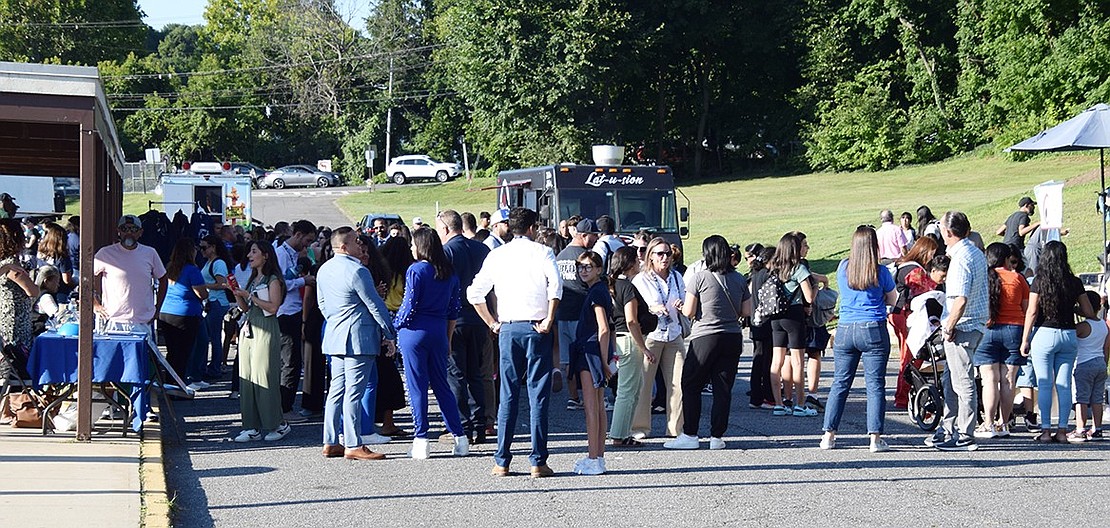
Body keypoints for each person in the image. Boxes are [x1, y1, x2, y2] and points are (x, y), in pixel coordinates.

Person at [468, 207, 563, 478]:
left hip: (508, 327)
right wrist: (548, 320)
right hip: (536, 327)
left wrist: (491, 322)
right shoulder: (543, 252)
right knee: (538, 395)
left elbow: (475, 293)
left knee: (507, 395)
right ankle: (537, 460)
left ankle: (502, 460)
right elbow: (555, 288)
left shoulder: (497, 254)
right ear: (532, 227)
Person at [666, 235, 751, 450]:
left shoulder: (700, 278)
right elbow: (746, 311)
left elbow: (690, 311)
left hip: (706, 335)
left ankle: (691, 434)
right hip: (732, 335)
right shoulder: (739, 279)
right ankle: (717, 436)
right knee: (723, 387)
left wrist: (681, 306)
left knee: (691, 383)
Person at [317, 227, 394, 460]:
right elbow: (375, 304)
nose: (359, 245)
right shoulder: (358, 271)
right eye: (354, 241)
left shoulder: (324, 269)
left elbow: (322, 304)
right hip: (358, 337)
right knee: (354, 391)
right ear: (343, 246)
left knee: (336, 391)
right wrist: (389, 333)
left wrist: (335, 320)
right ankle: (353, 443)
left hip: (335, 334)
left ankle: (330, 440)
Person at [820, 226, 897, 452]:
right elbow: (892, 299)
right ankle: (875, 439)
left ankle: (828, 435)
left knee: (840, 383)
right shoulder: (880, 271)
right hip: (872, 326)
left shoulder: (843, 266)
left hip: (845, 327)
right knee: (875, 385)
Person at [394, 228, 469, 458]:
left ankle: (421, 438)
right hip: (438, 331)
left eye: (413, 244)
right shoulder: (449, 273)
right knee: (441, 385)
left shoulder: (416, 270)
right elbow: (453, 310)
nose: (411, 248)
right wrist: (446, 338)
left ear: (422, 246)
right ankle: (460, 437)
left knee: (417, 386)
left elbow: (409, 305)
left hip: (414, 331)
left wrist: (395, 324)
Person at [1019, 240, 1095, 443]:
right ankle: (1062, 431)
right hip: (1069, 334)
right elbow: (1088, 312)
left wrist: (1025, 339)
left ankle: (1045, 431)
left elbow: (1032, 311)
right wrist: (1073, 309)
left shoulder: (1039, 281)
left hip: (1044, 334)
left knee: (1044, 384)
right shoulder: (1074, 282)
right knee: (1063, 384)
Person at [929, 211, 989, 451]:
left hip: (962, 326)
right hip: (974, 323)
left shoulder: (961, 257)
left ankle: (965, 433)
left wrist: (949, 326)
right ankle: (948, 426)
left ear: (948, 232)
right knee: (951, 378)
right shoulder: (975, 251)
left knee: (962, 381)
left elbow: (960, 299)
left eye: (942, 228)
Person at [437, 210, 492, 443]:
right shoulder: (482, 249)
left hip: (455, 319)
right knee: (476, 373)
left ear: (446, 229)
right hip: (479, 317)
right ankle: (480, 423)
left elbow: (442, 287)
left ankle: (462, 426)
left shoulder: (447, 251)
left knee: (456, 374)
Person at [230, 241, 290, 442]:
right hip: (249, 327)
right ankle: (251, 426)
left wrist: (250, 296)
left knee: (264, 376)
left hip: (266, 328)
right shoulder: (253, 279)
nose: (249, 255)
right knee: (247, 376)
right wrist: (237, 294)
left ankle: (278, 424)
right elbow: (246, 308)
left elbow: (273, 308)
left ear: (266, 255)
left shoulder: (273, 280)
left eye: (254, 251)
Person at [631, 236, 687, 438]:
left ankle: (675, 429)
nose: (665, 258)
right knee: (644, 384)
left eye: (668, 254)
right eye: (659, 254)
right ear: (650, 257)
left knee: (679, 383)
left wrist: (681, 305)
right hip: (651, 336)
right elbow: (634, 310)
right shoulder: (641, 279)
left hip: (673, 333)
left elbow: (684, 300)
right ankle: (639, 428)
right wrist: (653, 308)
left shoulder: (676, 277)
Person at [972, 243, 1029, 439]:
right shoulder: (1017, 278)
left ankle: (987, 423)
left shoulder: (983, 279)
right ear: (1006, 259)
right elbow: (1026, 308)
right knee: (1008, 381)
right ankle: (1003, 423)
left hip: (987, 330)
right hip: (1014, 330)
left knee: (989, 380)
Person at [569, 251, 614, 474]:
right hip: (595, 352)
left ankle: (593, 457)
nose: (583, 270)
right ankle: (598, 456)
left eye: (588, 266)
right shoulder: (600, 290)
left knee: (591, 409)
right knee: (598, 407)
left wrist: (604, 361)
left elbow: (604, 327)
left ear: (599, 269)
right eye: (581, 267)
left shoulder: (597, 293)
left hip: (590, 352)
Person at [607, 246, 657, 447]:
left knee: (632, 388)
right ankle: (619, 434)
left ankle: (623, 432)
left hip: (621, 338)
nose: (640, 262)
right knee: (628, 390)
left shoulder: (612, 285)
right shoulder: (626, 287)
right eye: (637, 260)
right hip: (630, 339)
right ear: (628, 264)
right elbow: (631, 320)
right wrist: (643, 347)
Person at [93, 215, 167, 347]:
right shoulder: (104, 253)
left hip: (142, 321)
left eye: (133, 229)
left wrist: (157, 308)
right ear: (119, 231)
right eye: (125, 229)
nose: (129, 233)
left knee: (143, 364)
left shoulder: (150, 253)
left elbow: (163, 279)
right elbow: (86, 279)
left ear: (140, 232)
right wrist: (95, 304)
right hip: (113, 320)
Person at [767, 233, 818, 417]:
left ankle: (779, 404)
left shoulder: (774, 267)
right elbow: (809, 297)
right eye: (803, 245)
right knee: (797, 361)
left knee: (777, 361)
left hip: (776, 316)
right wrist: (816, 287)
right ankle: (800, 404)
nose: (806, 247)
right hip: (794, 315)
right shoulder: (799, 269)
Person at [890, 237, 940, 408]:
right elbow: (928, 290)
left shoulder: (904, 265)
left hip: (897, 313)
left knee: (907, 355)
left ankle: (902, 394)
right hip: (905, 315)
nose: (933, 258)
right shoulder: (915, 271)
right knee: (911, 356)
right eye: (932, 254)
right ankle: (902, 396)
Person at [275, 220, 316, 423]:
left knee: (291, 360)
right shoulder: (282, 254)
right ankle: (285, 408)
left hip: (292, 309)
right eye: (307, 241)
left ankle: (283, 405)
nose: (307, 246)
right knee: (290, 361)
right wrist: (304, 281)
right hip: (285, 311)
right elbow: (280, 283)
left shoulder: (291, 254)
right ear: (298, 235)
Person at [556, 218, 600, 411]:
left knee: (567, 359)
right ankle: (589, 396)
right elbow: (590, 284)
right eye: (593, 235)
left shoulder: (561, 255)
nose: (596, 239)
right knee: (584, 356)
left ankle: (573, 397)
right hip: (580, 314)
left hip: (561, 313)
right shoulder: (585, 257)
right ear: (583, 235)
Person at [158, 238, 208, 390]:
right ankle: (179, 386)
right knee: (184, 352)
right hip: (185, 314)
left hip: (166, 312)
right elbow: (202, 294)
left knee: (172, 352)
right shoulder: (192, 270)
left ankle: (169, 383)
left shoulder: (169, 267)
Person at [1068, 291, 1108, 443]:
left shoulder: (1083, 326)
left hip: (1084, 363)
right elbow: (1106, 348)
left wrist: (1074, 311)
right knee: (1097, 399)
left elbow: (1070, 338)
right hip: (1100, 363)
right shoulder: (1103, 325)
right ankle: (1097, 429)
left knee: (1081, 398)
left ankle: (1080, 429)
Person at [0, 219, 37, 384]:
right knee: (17, 363)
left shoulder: (3, 265)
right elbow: (32, 291)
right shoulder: (12, 265)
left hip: (4, 318)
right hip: (16, 320)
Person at [199, 235, 233, 379]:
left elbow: (222, 284)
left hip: (217, 302)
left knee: (213, 336)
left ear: (213, 247)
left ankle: (215, 367)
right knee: (211, 336)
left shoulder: (218, 263)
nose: (202, 251)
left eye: (204, 247)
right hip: (212, 301)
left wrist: (203, 286)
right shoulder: (210, 262)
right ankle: (213, 366)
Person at [747, 245, 775, 409]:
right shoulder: (768, 275)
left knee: (757, 360)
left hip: (755, 321)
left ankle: (755, 396)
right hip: (767, 321)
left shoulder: (755, 274)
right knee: (768, 361)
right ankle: (768, 396)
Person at [33, 222, 75, 298]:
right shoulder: (62, 257)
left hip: (42, 288)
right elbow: (67, 280)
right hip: (60, 291)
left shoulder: (40, 252)